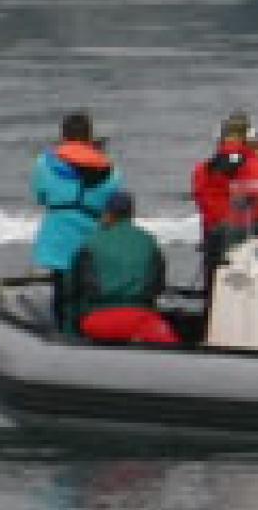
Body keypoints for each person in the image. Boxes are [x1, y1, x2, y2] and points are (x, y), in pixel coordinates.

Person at [31, 111, 124, 331]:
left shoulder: (44, 163)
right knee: (87, 293)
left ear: (63, 135)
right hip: (92, 238)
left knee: (62, 293)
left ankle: (64, 333)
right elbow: (112, 204)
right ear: (90, 136)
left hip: (58, 238)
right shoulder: (111, 170)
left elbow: (41, 196)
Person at [191, 110, 258, 299]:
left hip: (215, 246)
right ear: (251, 138)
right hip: (252, 246)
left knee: (214, 298)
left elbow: (204, 204)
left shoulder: (201, 171)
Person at [70, 191, 180, 344]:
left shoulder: (90, 242)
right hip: (142, 320)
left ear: (107, 214)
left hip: (98, 320)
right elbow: (158, 285)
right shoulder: (149, 241)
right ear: (131, 214)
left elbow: (74, 288)